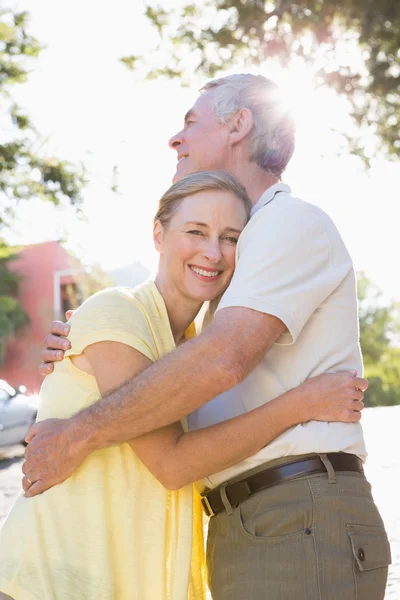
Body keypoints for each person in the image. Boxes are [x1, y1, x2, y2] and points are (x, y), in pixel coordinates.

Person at [25, 74, 390, 600]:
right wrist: (90, 343)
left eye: (191, 122)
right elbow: (187, 376)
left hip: (298, 511)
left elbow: (222, 360)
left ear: (239, 125)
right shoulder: (244, 256)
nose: (176, 138)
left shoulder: (287, 222)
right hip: (252, 520)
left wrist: (80, 431)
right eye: (196, 233)